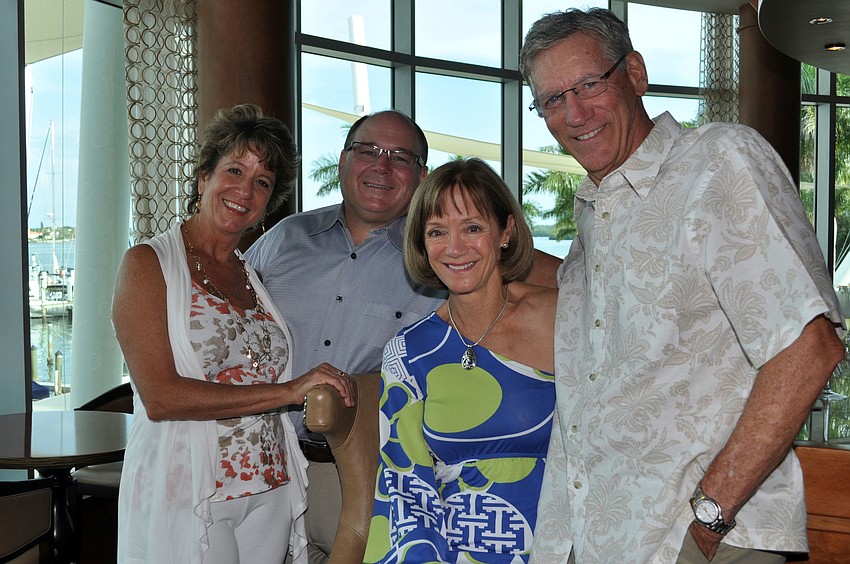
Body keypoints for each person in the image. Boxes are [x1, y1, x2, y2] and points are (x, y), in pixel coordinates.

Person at [519, 8, 846, 564]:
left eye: (589, 84)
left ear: (636, 74)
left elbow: (807, 345)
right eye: (552, 99)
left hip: (700, 540)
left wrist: (711, 517)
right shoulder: (596, 219)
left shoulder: (718, 161)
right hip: (595, 539)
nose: (574, 112)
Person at [245, 110, 561, 562]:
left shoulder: (544, 313)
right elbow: (222, 318)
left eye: (399, 157)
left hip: (356, 476)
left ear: (420, 175)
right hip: (269, 468)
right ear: (342, 160)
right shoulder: (284, 239)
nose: (381, 166)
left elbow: (578, 280)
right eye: (368, 151)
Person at [112, 103, 353, 564]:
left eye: (261, 182)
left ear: (268, 202)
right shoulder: (147, 265)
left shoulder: (250, 274)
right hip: (193, 488)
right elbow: (162, 397)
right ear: (204, 178)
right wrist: (287, 391)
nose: (245, 190)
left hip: (269, 483)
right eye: (235, 170)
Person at [365, 158, 557, 563]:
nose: (454, 248)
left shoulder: (564, 318)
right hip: (456, 551)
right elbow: (406, 491)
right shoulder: (409, 352)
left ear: (506, 231)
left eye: (472, 228)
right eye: (437, 232)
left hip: (572, 542)